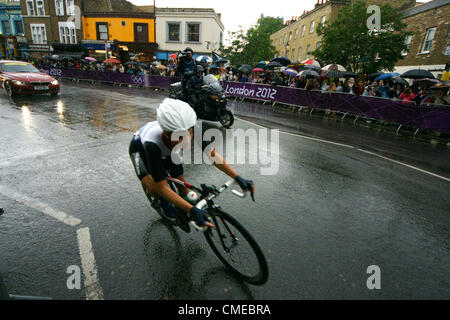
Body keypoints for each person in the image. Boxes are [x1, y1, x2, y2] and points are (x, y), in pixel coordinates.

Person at [129, 98, 255, 227]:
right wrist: (192, 210)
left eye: (189, 133)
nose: (187, 141)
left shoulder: (191, 125)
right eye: (180, 137)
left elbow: (212, 156)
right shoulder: (151, 143)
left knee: (182, 188)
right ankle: (161, 202)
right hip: (140, 150)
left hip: (170, 150)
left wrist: (237, 177)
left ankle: (182, 204)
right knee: (155, 189)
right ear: (166, 134)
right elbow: (162, 187)